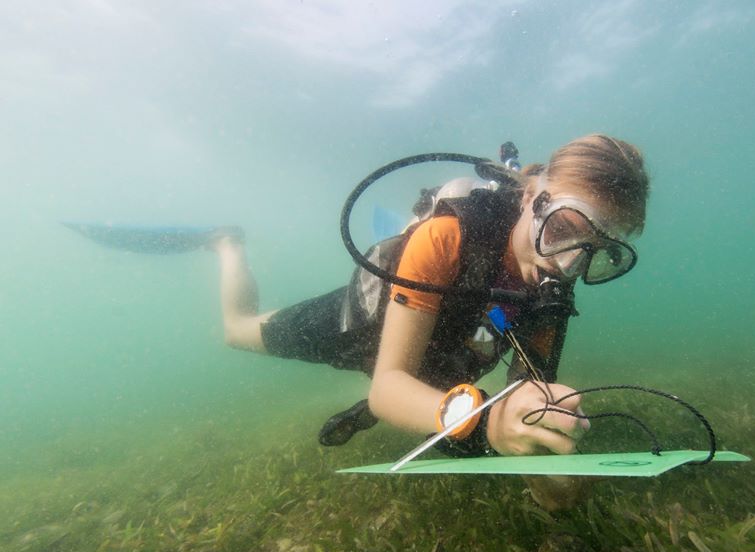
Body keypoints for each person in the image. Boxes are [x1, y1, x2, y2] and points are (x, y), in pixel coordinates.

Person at [212, 134, 649, 473]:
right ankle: (229, 244)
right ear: (529, 195)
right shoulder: (447, 237)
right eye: (563, 229)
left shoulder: (550, 291)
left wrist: (548, 454)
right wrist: (489, 423)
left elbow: (530, 396)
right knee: (237, 330)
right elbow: (387, 388)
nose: (567, 265)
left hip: (447, 363)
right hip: (361, 327)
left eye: (598, 253)